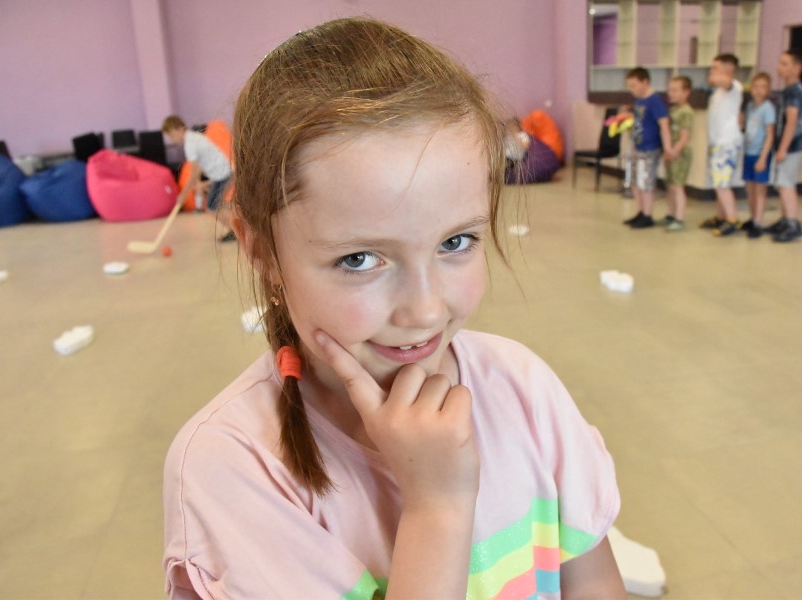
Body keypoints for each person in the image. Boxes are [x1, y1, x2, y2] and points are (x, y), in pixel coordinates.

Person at [162, 18, 624, 600]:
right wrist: (438, 508)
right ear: (263, 253)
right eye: (360, 259)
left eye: (456, 242)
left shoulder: (525, 389)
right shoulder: (231, 466)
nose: (425, 311)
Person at [161, 115, 236, 242]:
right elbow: (200, 166)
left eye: (171, 135)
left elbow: (194, 173)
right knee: (218, 207)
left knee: (212, 209)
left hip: (223, 174)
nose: (172, 139)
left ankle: (236, 232)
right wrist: (199, 184)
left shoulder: (190, 143)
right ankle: (235, 230)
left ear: (178, 129)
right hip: (223, 173)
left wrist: (183, 195)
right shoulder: (194, 137)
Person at [765, 50, 802, 243]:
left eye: (784, 64)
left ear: (797, 68)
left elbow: (792, 121)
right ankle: (785, 219)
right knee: (782, 182)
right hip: (786, 145)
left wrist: (783, 148)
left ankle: (793, 223)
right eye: (779, 63)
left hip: (792, 146)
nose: (779, 68)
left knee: (785, 184)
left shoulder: (794, 91)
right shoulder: (789, 90)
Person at [622, 67, 671, 229]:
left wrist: (667, 148)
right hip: (637, 146)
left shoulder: (655, 101)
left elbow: (664, 124)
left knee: (646, 182)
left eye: (634, 85)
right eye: (629, 86)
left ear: (645, 82)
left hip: (649, 148)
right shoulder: (639, 100)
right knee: (635, 181)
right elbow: (640, 119)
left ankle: (648, 215)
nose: (631, 89)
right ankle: (640, 211)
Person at [703, 53, 743, 236]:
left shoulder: (734, 87)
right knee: (719, 182)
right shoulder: (718, 92)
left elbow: (725, 82)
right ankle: (721, 216)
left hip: (727, 142)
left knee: (722, 184)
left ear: (729, 69)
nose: (712, 72)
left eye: (715, 68)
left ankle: (732, 220)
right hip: (717, 142)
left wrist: (715, 77)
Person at [739, 72, 777, 239]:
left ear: (768, 90)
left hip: (760, 154)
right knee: (750, 189)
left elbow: (770, 134)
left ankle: (758, 222)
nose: (759, 90)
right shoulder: (750, 107)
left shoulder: (768, 108)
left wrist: (763, 157)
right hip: (749, 152)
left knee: (760, 190)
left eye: (763, 87)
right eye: (756, 86)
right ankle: (752, 217)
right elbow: (747, 129)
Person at [663, 75, 693, 232]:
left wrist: (675, 150)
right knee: (670, 185)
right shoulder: (673, 109)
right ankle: (671, 214)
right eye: (670, 90)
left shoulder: (686, 111)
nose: (671, 93)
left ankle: (679, 218)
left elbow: (684, 136)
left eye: (675, 90)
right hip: (670, 152)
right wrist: (667, 150)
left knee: (678, 186)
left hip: (680, 153)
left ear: (686, 92)